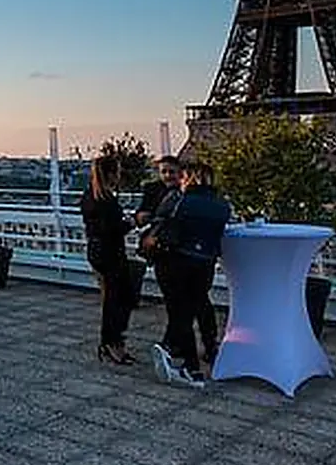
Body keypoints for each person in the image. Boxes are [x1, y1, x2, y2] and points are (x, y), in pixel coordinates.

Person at [148, 159, 230, 389]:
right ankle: (190, 358)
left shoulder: (179, 200)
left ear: (190, 177)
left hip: (176, 261)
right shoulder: (222, 205)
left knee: (179, 312)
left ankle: (187, 363)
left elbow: (160, 224)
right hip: (205, 264)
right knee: (194, 307)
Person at [136, 155, 218, 360]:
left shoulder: (183, 198)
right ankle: (186, 347)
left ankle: (186, 352)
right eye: (163, 171)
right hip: (183, 256)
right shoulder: (215, 201)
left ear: (183, 174)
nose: (168, 176)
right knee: (185, 304)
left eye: (172, 172)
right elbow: (143, 214)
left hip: (180, 255)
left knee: (188, 305)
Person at [80, 154, 137, 366]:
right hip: (109, 253)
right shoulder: (105, 200)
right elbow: (110, 230)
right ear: (112, 173)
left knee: (114, 297)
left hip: (98, 251)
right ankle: (112, 342)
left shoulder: (90, 196)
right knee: (119, 299)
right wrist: (131, 223)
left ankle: (112, 341)